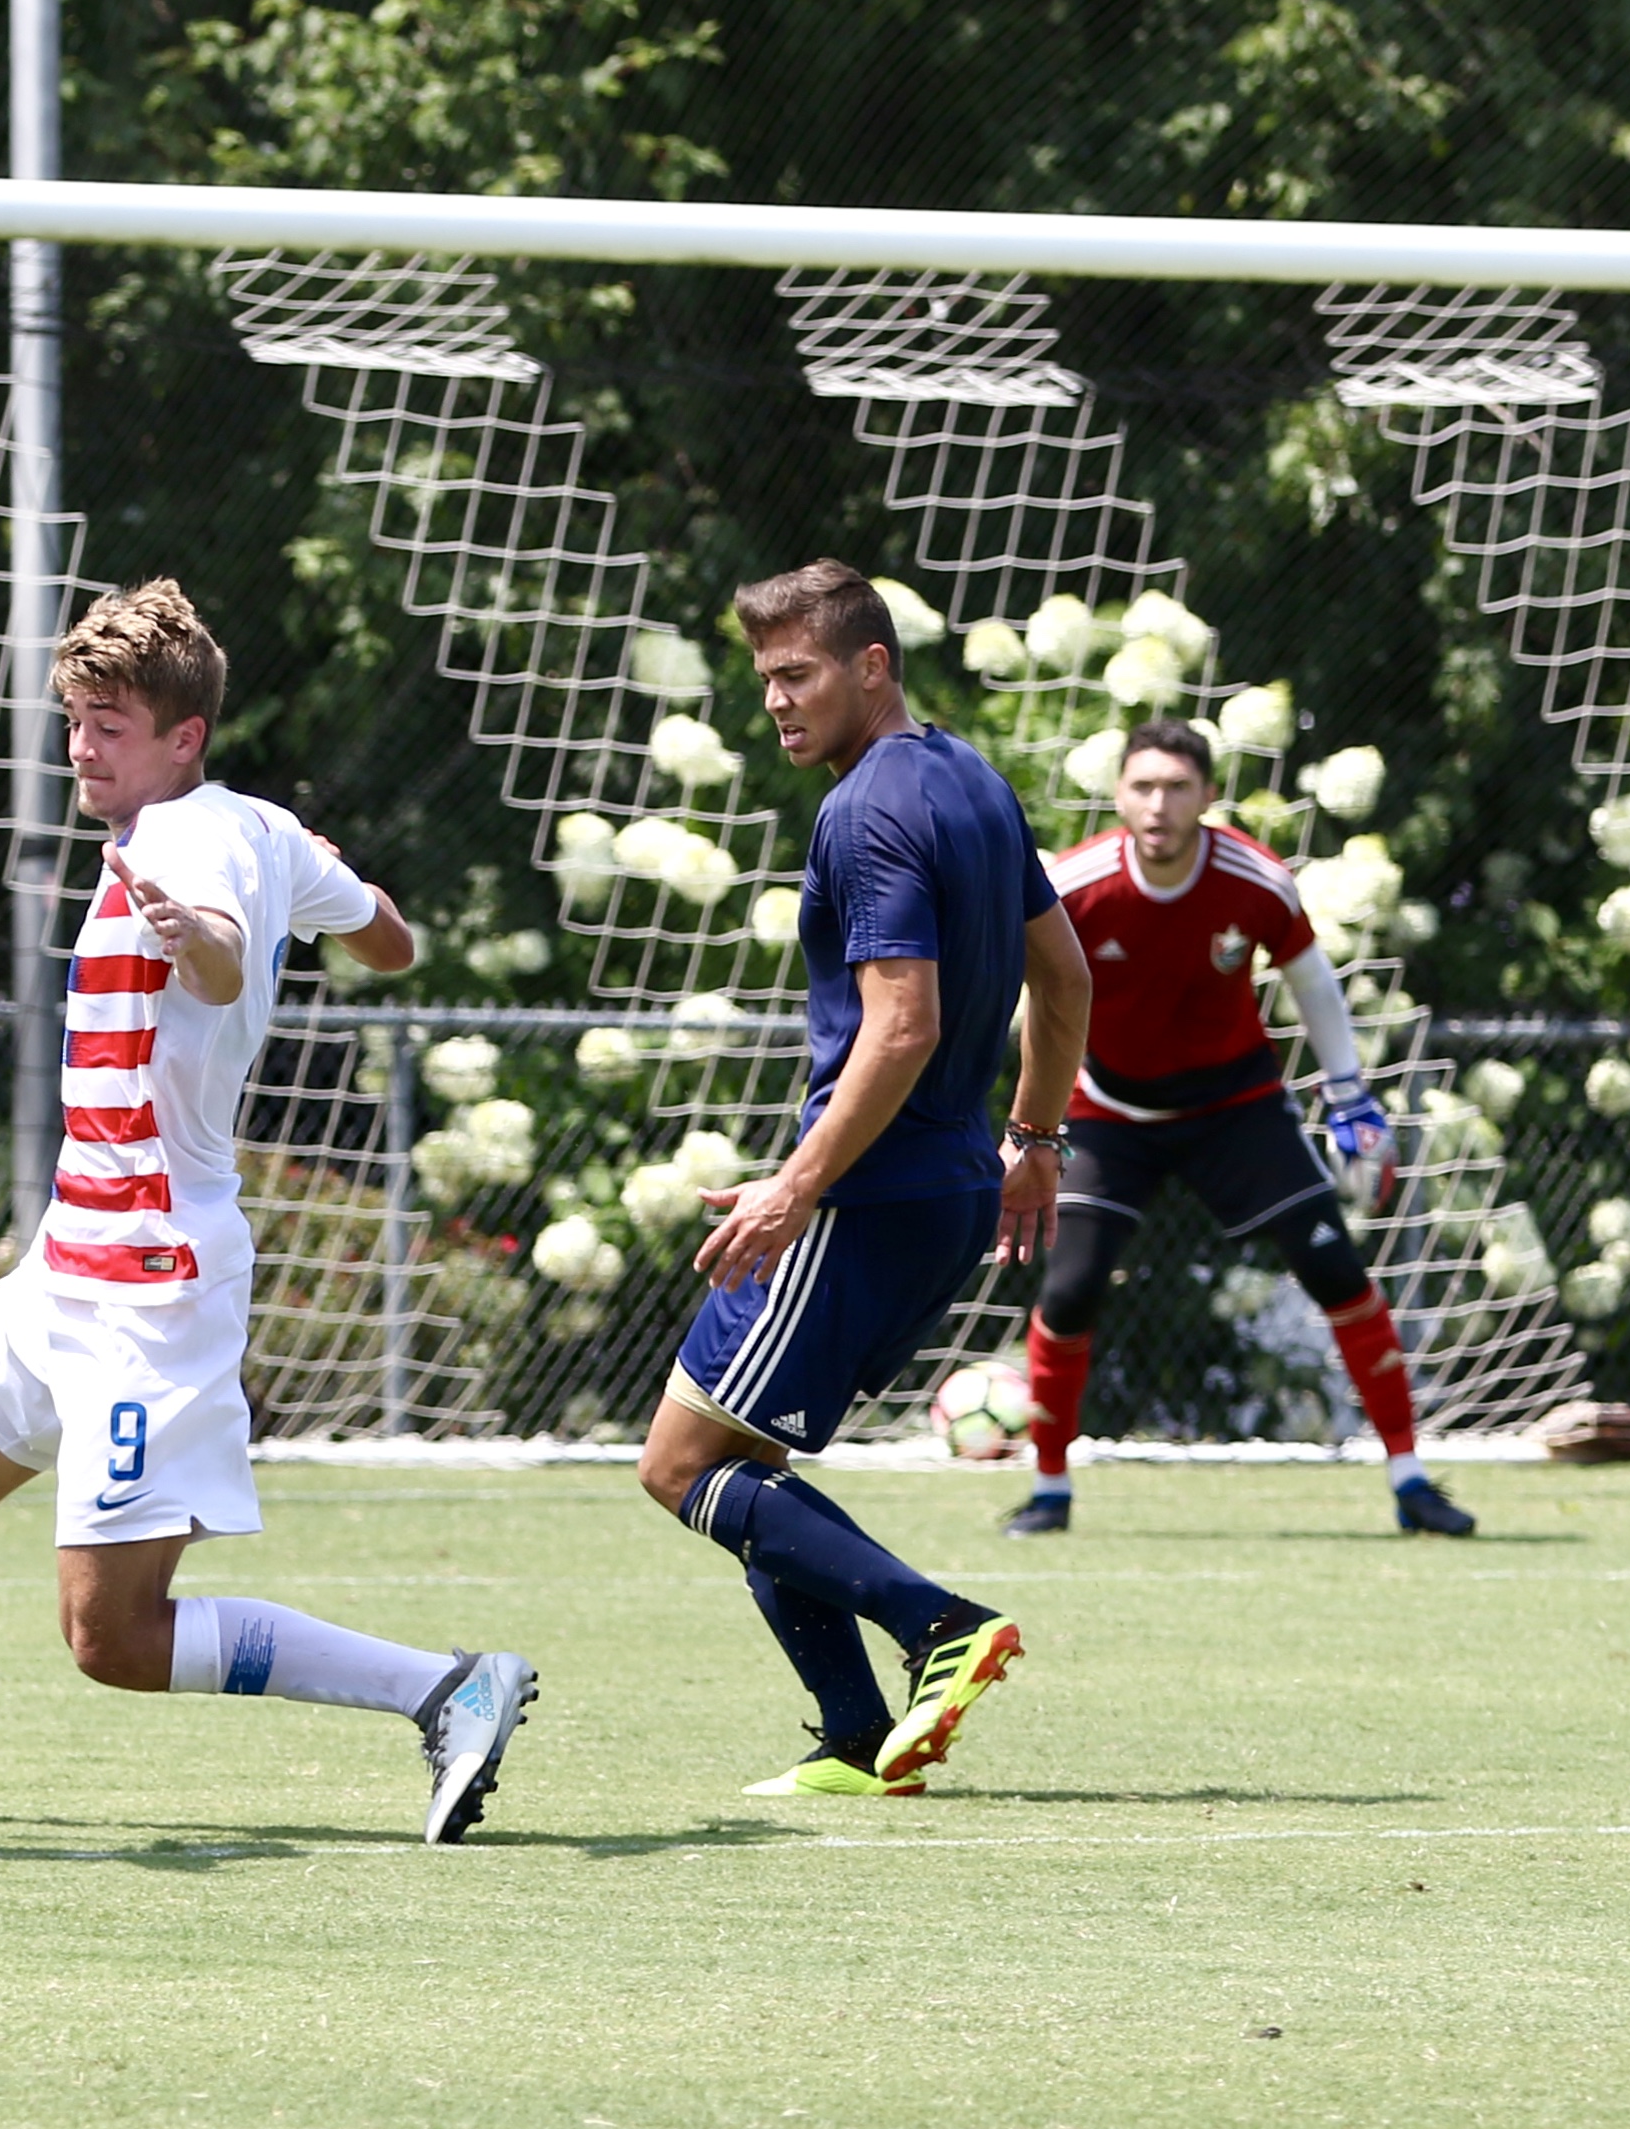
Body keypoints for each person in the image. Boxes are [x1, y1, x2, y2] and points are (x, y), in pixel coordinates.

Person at [0, 580, 540, 1846]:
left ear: (185, 738)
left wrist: (209, 944)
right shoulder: (263, 828)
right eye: (74, 721)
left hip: (149, 1283)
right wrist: (307, 901)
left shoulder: (194, 838)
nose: (82, 748)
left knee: (109, 1639)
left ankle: (446, 1687)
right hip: (71, 1262)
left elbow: (216, 946)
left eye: (109, 724)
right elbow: (391, 941)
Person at [632, 559, 1094, 1801]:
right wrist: (1035, 1141)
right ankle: (851, 1735)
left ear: (870, 667)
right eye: (765, 680)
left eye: (798, 675)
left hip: (862, 1195)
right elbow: (1065, 980)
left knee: (678, 1466)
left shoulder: (867, 811)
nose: (776, 702)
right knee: (750, 1465)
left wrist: (793, 1187)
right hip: (940, 1190)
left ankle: (939, 1625)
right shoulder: (974, 783)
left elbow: (903, 1026)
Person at [1007, 716, 1477, 1539]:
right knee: (1070, 1288)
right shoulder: (1072, 887)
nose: (1158, 805)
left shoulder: (1254, 879)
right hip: (1109, 1113)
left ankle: (1410, 1480)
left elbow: (1312, 981)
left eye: (1177, 787)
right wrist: (1025, 1122)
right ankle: (1049, 1489)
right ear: (1118, 796)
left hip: (1236, 1107)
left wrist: (1350, 1096)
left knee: (1334, 1268)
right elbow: (1021, 1003)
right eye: (1143, 787)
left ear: (1208, 797)